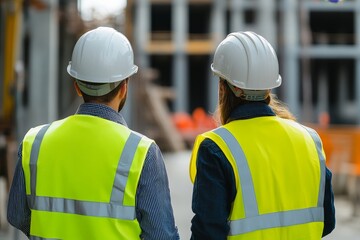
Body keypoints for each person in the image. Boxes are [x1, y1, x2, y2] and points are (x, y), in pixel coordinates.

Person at [7, 27, 179, 240]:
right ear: (124, 87)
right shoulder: (142, 153)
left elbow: (17, 216)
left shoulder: (35, 142)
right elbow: (161, 235)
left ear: (77, 86)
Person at [189, 31, 335, 239]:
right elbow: (326, 222)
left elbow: (208, 233)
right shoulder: (310, 140)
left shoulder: (217, 147)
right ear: (269, 87)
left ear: (223, 88)